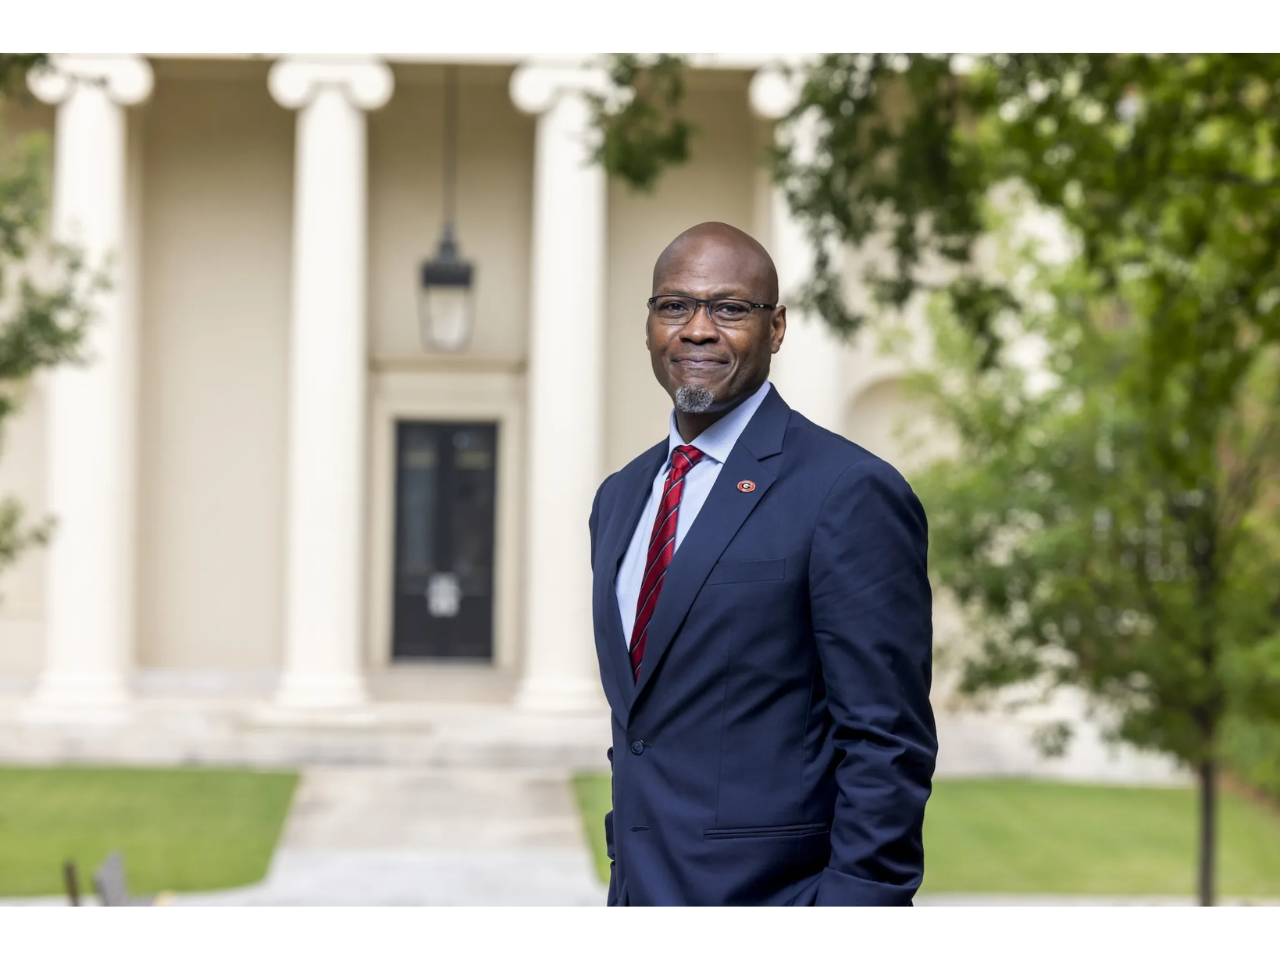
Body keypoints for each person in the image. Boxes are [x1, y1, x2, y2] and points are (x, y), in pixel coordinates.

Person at [588, 222, 937, 906]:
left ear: (776, 328)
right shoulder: (621, 498)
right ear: (649, 326)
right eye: (674, 306)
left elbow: (886, 744)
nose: (696, 330)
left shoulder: (847, 491)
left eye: (729, 308)